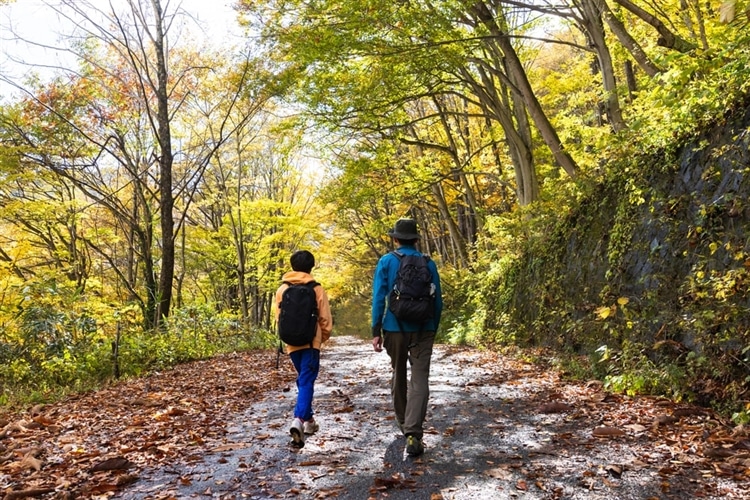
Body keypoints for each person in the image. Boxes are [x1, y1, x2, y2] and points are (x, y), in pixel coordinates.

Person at [371, 218, 443, 457]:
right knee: (420, 377)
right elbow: (438, 300)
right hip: (424, 327)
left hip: (394, 328)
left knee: (398, 372)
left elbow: (379, 298)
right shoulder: (428, 262)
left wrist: (375, 330)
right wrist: (433, 326)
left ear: (395, 239)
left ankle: (405, 426)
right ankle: (414, 431)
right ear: (415, 240)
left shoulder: (386, 261)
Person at [275, 250, 333, 448]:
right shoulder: (316, 288)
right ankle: (298, 420)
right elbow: (325, 319)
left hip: (291, 343)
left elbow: (278, 318)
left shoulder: (282, 289)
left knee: (304, 379)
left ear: (292, 266)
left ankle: (309, 421)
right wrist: (321, 338)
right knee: (307, 380)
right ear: (311, 266)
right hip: (310, 343)